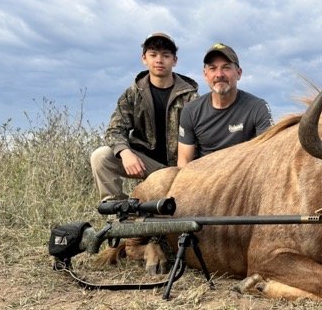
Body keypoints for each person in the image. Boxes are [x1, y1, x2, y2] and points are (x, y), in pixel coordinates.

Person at [90, 32, 199, 201]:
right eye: (153, 55)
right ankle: (121, 210)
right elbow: (114, 130)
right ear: (144, 58)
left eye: (166, 55)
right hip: (146, 164)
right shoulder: (133, 93)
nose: (159, 60)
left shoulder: (191, 97)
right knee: (101, 156)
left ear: (174, 60)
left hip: (181, 169)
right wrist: (125, 153)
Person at [177, 43, 274, 166]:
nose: (219, 74)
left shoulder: (258, 107)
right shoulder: (190, 111)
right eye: (212, 68)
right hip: (205, 179)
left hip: (244, 179)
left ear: (239, 73)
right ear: (205, 75)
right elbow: (184, 162)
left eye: (226, 67)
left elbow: (269, 156)